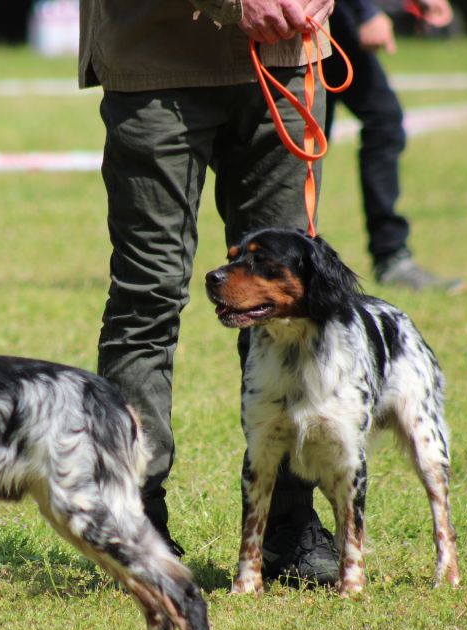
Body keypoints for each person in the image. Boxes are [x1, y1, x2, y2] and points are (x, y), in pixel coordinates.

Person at [79, 0, 343, 582]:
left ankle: (287, 524)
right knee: (147, 297)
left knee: (287, 306)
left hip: (288, 59)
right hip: (155, 60)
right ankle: (135, 519)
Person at [323, 0, 462, 291]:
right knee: (303, 145)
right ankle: (278, 262)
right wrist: (366, 12)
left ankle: (391, 256)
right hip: (306, 19)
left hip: (332, 16)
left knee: (382, 121)